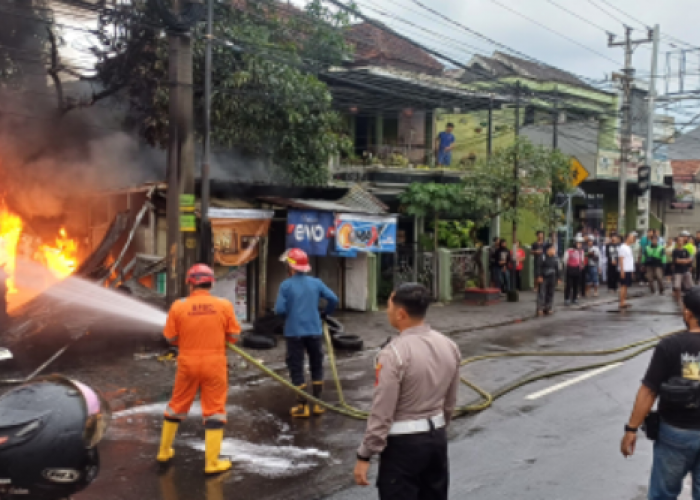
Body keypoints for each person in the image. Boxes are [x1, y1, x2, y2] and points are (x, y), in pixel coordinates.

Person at [354, 283, 461, 500]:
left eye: (389, 306)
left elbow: (382, 411)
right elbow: (450, 402)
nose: (387, 311)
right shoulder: (449, 345)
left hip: (404, 447)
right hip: (436, 440)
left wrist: (365, 454)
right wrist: (438, 430)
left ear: (401, 314)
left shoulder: (393, 353)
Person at [158, 264, 241, 474]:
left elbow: (170, 338)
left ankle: (164, 451)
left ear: (189, 283)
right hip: (214, 364)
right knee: (214, 411)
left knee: (176, 405)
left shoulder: (179, 305)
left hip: (187, 363)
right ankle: (212, 463)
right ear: (211, 282)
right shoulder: (224, 305)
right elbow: (234, 336)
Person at [621, 287, 700, 499]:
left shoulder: (670, 346)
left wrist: (631, 430)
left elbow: (649, 391)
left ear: (687, 313)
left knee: (663, 495)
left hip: (675, 434)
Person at [275, 248, 339, 418]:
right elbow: (333, 299)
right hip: (314, 331)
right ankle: (318, 405)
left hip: (293, 332)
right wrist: (325, 314)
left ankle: (302, 407)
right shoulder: (316, 283)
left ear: (291, 266)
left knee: (296, 367)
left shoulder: (286, 285)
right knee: (316, 364)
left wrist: (288, 316)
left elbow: (279, 309)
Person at [537, 244, 560, 316]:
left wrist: (558, 278)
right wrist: (539, 276)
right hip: (544, 277)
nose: (554, 250)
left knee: (550, 293)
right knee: (542, 293)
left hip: (552, 277)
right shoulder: (543, 257)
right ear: (548, 250)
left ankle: (548, 307)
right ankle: (540, 308)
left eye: (554, 249)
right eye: (552, 249)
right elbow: (538, 267)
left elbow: (557, 268)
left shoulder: (555, 258)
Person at [672, 236, 694, 304]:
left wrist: (685, 261)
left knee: (690, 286)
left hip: (686, 270)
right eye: (679, 241)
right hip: (678, 271)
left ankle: (690, 299)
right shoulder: (675, 251)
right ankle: (678, 300)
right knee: (677, 286)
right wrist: (685, 260)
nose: (680, 242)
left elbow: (690, 259)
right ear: (677, 242)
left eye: (682, 241)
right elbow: (676, 261)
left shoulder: (685, 250)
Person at [564, 237, 585, 306]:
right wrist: (567, 267)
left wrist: (581, 267)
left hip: (577, 269)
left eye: (581, 243)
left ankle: (575, 298)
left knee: (576, 285)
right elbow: (565, 260)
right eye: (578, 243)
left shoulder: (581, 251)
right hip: (570, 269)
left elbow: (582, 260)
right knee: (569, 285)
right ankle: (567, 298)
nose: (580, 245)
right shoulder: (569, 251)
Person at [618, 232, 636, 309]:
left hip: (629, 269)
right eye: (632, 237)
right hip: (624, 269)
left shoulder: (629, 247)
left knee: (626, 286)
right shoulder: (622, 247)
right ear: (627, 238)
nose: (633, 239)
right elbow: (621, 259)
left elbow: (630, 260)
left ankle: (624, 301)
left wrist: (632, 271)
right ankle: (621, 302)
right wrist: (622, 271)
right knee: (623, 286)